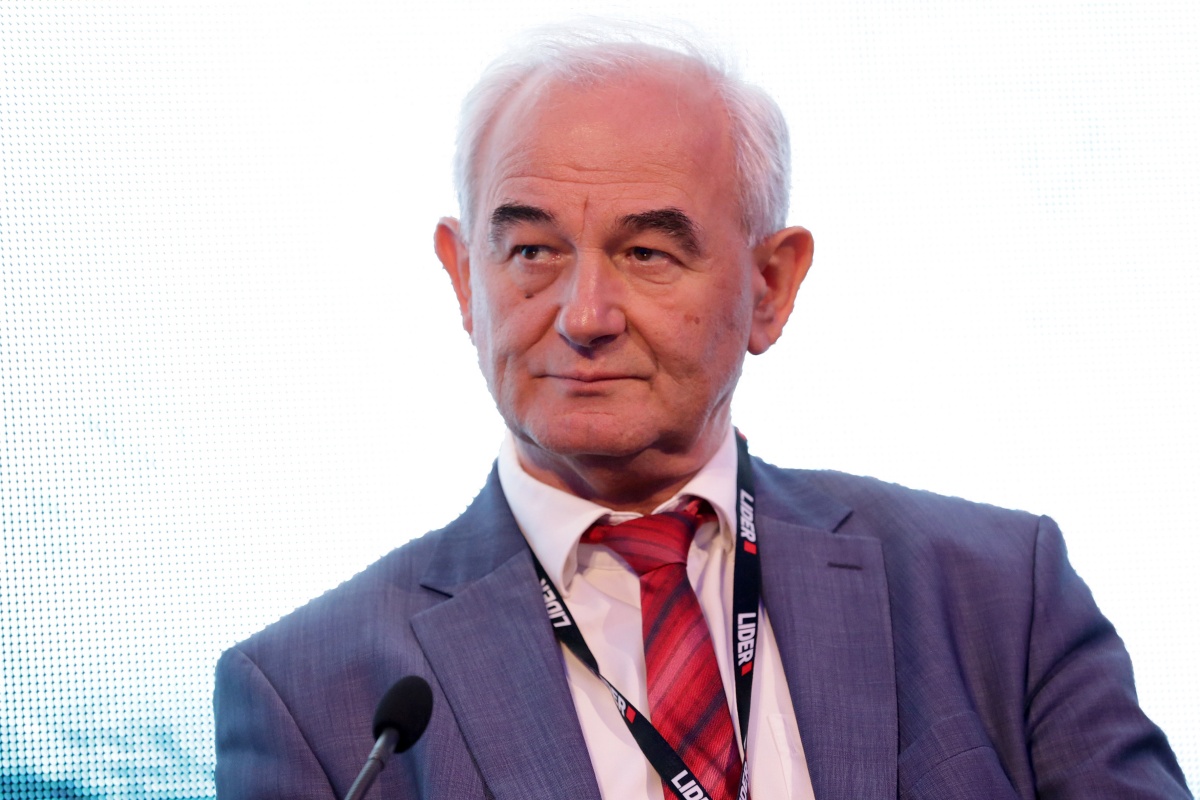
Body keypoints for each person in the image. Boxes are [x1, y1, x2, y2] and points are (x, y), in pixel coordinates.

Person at [213, 25, 1191, 800]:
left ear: (771, 285)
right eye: (532, 253)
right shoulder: (313, 697)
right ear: (464, 276)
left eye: (647, 253)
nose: (584, 316)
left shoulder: (999, 595)